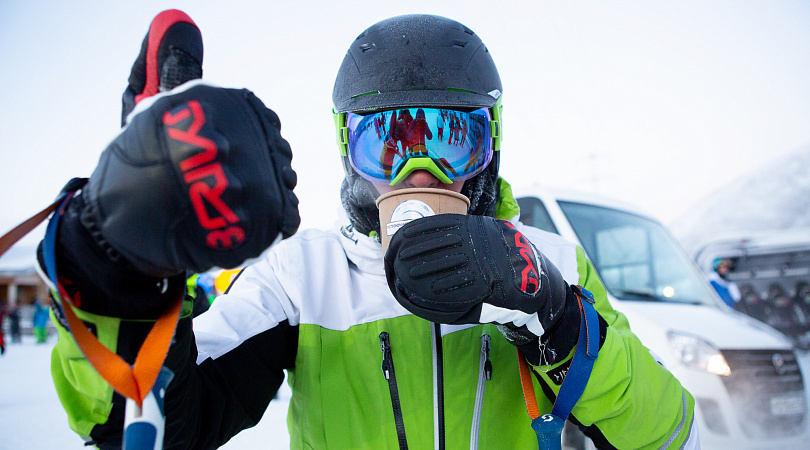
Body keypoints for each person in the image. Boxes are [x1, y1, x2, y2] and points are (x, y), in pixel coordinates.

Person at [40, 11, 699, 449]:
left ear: (489, 148)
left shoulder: (551, 260)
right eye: (387, 141)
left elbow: (666, 435)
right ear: (345, 149)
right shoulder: (302, 277)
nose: (417, 170)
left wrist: (557, 319)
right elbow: (150, 419)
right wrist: (120, 269)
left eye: (448, 137)